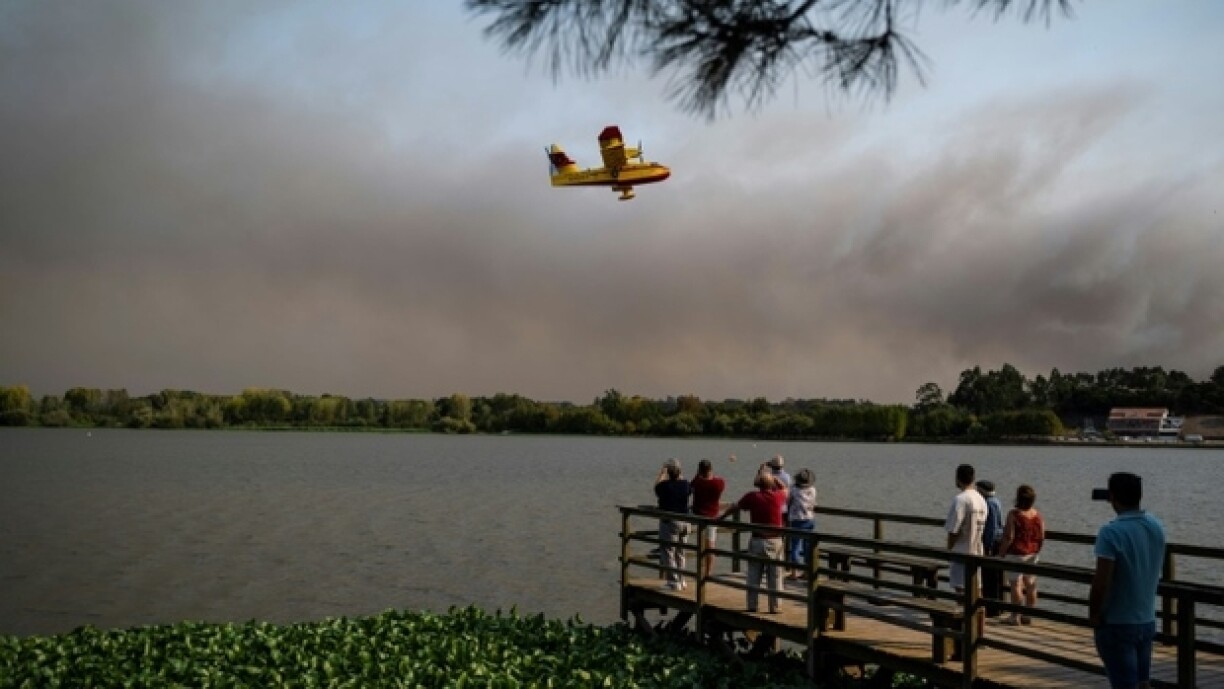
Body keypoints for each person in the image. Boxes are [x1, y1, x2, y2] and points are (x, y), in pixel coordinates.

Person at [1089, 472, 1166, 689]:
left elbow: (1101, 581)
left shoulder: (1111, 532)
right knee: (1143, 683)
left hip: (1117, 622)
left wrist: (1094, 613)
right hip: (1147, 619)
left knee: (1123, 684)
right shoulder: (1156, 526)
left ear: (1112, 496)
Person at [720, 464, 787, 613]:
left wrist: (722, 518)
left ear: (759, 485)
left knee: (753, 575)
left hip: (757, 540)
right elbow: (785, 489)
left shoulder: (752, 496)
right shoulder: (778, 496)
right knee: (775, 576)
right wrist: (774, 478)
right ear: (772, 485)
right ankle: (775, 607)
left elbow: (734, 507)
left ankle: (752, 605)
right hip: (775, 541)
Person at [945, 463, 987, 639]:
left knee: (961, 595)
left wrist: (949, 547)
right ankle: (979, 633)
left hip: (962, 551)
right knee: (977, 593)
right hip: (977, 550)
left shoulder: (960, 499)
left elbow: (953, 529)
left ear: (958, 478)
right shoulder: (981, 499)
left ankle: (965, 634)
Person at [996, 484, 1045, 626]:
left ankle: (1015, 616)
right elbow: (1042, 535)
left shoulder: (1013, 514)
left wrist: (1001, 552)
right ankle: (1028, 615)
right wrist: (1037, 549)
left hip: (1016, 552)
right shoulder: (1037, 515)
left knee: (1016, 584)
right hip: (1032, 553)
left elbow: (1009, 536)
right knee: (1031, 583)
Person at [654, 458, 691, 591]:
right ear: (680, 472)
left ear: (669, 473)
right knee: (681, 552)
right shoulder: (686, 484)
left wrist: (662, 473)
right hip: (685, 522)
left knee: (668, 551)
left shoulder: (664, 486)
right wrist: (677, 471)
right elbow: (686, 486)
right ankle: (682, 580)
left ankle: (674, 582)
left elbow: (656, 487)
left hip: (670, 522)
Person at [689, 459, 726, 579]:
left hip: (696, 515)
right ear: (710, 469)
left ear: (700, 470)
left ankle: (699, 571)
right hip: (711, 517)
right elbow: (719, 481)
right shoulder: (718, 483)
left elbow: (691, 485)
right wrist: (711, 475)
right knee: (710, 545)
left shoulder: (697, 482)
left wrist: (698, 474)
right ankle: (708, 573)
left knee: (698, 543)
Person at [976, 480, 1005, 616]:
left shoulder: (989, 503)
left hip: (992, 543)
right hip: (998, 540)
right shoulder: (996, 501)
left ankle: (992, 609)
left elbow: (991, 527)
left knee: (990, 577)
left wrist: (987, 546)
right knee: (996, 576)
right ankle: (998, 607)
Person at [785, 468, 817, 580]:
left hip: (796, 520)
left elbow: (787, 502)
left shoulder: (793, 489)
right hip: (809, 519)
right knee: (807, 546)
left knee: (795, 546)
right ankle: (807, 572)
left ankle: (794, 572)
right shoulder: (813, 490)